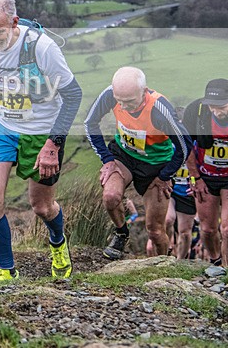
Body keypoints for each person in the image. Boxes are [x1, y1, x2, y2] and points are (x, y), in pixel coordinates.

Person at [0, 0, 82, 282]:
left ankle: (58, 242)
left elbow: (73, 96)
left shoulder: (42, 48)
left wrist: (52, 144)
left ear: (14, 22)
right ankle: (7, 270)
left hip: (41, 130)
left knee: (42, 206)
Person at [84, 67, 192, 260]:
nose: (124, 107)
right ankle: (121, 234)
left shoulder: (160, 110)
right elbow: (90, 123)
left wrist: (165, 175)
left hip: (156, 165)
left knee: (156, 231)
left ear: (144, 92)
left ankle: (163, 267)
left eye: (130, 102)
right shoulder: (110, 94)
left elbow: (185, 146)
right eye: (119, 102)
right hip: (124, 156)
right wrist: (107, 159)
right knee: (110, 196)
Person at [183, 78, 228, 266]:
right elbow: (185, 148)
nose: (216, 111)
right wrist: (195, 177)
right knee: (208, 229)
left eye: (223, 107)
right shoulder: (196, 111)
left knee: (226, 229)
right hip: (205, 176)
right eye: (212, 107)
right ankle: (216, 262)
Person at [163, 162, 197, 259]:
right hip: (170, 189)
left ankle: (180, 261)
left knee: (185, 233)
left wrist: (194, 183)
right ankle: (166, 248)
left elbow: (198, 169)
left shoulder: (194, 148)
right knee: (168, 219)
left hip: (187, 194)